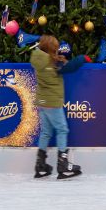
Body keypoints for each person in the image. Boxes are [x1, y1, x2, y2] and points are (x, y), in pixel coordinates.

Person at [30, 35, 86, 179]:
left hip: (42, 101)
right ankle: (63, 164)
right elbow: (72, 66)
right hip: (52, 102)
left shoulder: (37, 58)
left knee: (46, 132)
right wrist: (83, 58)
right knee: (62, 129)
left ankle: (40, 164)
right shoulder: (53, 62)